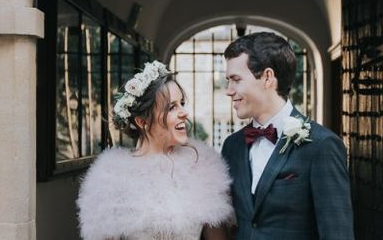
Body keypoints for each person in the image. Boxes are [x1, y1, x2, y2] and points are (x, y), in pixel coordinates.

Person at [77, 60, 233, 240]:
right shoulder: (111, 177)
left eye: (182, 103)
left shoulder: (203, 168)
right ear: (142, 122)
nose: (184, 113)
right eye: (172, 107)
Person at [221, 32, 354, 240]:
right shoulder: (232, 146)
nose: (228, 91)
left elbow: (337, 234)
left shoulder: (322, 145)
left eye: (236, 80)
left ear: (267, 77)